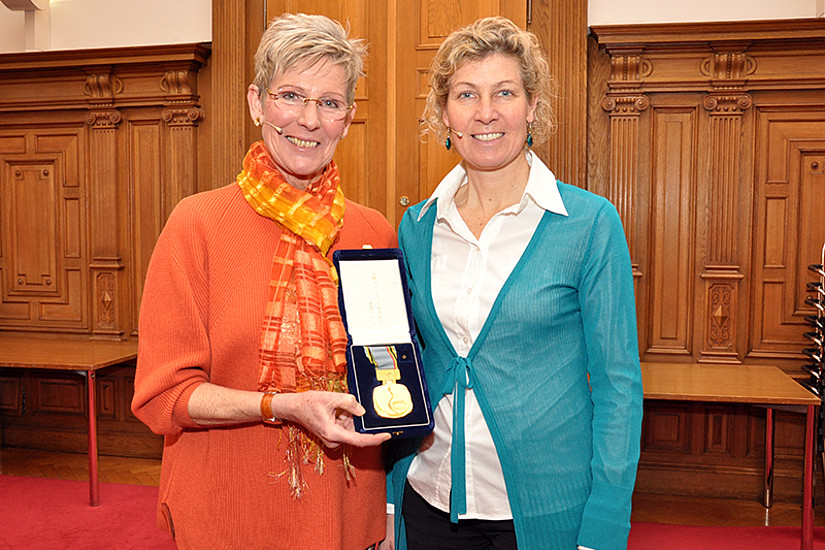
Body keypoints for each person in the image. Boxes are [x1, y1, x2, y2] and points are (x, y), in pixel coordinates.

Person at [132, 13, 395, 550]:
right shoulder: (198, 223)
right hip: (229, 515)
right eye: (290, 95)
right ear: (256, 103)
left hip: (348, 515)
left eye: (329, 102)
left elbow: (388, 370)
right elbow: (165, 396)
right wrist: (280, 405)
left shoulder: (373, 231)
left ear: (347, 118)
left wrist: (386, 513)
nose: (308, 119)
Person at [384, 16, 643, 550]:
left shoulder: (589, 223)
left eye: (504, 92)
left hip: (548, 514)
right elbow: (406, 360)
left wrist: (606, 524)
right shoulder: (416, 226)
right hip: (427, 499)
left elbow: (619, 387)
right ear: (444, 114)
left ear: (531, 107)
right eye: (466, 94)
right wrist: (386, 498)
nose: (486, 113)